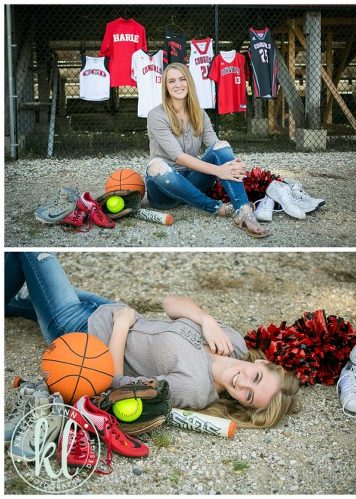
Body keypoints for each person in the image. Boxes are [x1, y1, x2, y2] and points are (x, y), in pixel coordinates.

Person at [4, 252, 301, 429]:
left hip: (81, 335)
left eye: (249, 395)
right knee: (28, 281)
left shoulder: (195, 388)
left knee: (33, 252)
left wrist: (121, 326)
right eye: (256, 377)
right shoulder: (233, 343)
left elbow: (116, 385)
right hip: (108, 308)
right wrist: (206, 319)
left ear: (242, 404)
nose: (243, 383)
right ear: (262, 362)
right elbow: (170, 302)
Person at [144, 63, 268, 238]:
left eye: (182, 79)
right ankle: (219, 208)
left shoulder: (200, 114)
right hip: (165, 191)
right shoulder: (156, 115)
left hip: (193, 181)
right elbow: (177, 157)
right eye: (171, 81)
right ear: (165, 87)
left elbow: (217, 148)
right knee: (155, 165)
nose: (177, 84)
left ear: (189, 82)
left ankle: (244, 210)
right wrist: (219, 171)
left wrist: (233, 164)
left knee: (223, 145)